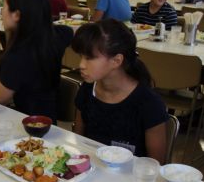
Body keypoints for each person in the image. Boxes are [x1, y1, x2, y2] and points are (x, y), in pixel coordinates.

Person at [71, 20, 168, 159]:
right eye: (80, 56)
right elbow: (79, 143)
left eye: (89, 58)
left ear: (116, 61)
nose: (81, 65)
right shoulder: (87, 90)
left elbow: (155, 164)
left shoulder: (149, 104)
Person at [0, 0, 63, 120]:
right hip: (49, 120)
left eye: (4, 6)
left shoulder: (20, 53)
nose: (2, 11)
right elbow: (68, 31)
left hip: (30, 125)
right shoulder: (54, 35)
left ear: (17, 15)